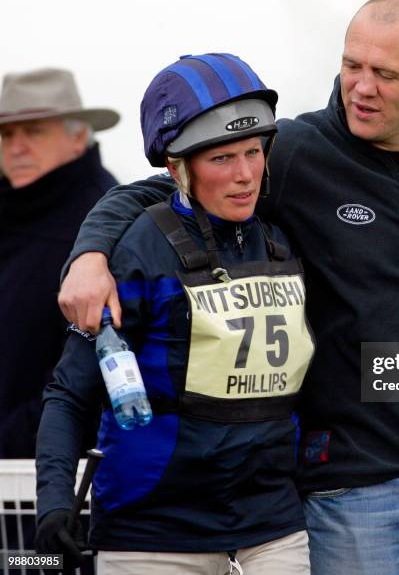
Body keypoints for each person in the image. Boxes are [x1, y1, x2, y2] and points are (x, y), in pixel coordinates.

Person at [57, 0, 399, 575]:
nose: (362, 86)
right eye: (352, 65)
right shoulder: (294, 152)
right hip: (358, 494)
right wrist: (90, 255)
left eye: (385, 73)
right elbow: (163, 191)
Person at [36, 53, 313, 575]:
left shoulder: (282, 236)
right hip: (153, 538)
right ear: (177, 167)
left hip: (272, 530)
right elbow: (69, 393)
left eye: (254, 152)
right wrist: (54, 503)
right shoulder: (138, 250)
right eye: (222, 159)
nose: (245, 175)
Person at [0, 67, 119, 458]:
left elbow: (93, 376)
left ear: (78, 135)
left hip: (60, 487)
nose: (16, 147)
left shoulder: (105, 222)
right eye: (6, 135)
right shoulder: (13, 210)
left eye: (34, 131)